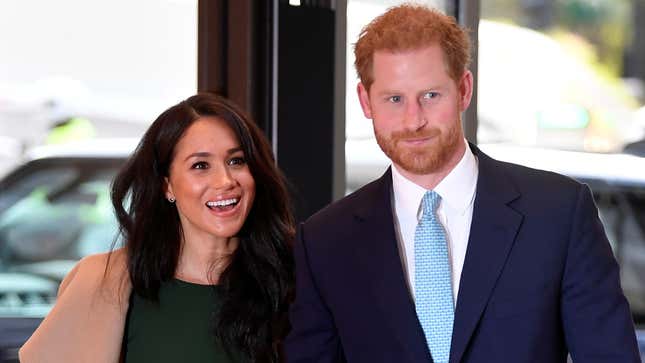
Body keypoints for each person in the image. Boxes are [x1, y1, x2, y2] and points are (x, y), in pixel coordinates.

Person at [285, 4, 640, 363]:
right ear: (366, 101)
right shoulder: (325, 242)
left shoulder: (559, 214)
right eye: (394, 99)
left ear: (464, 90)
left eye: (430, 96)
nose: (414, 120)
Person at [20, 93, 295, 363]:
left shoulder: (294, 275)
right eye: (200, 165)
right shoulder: (107, 282)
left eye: (236, 161)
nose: (225, 180)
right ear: (167, 186)